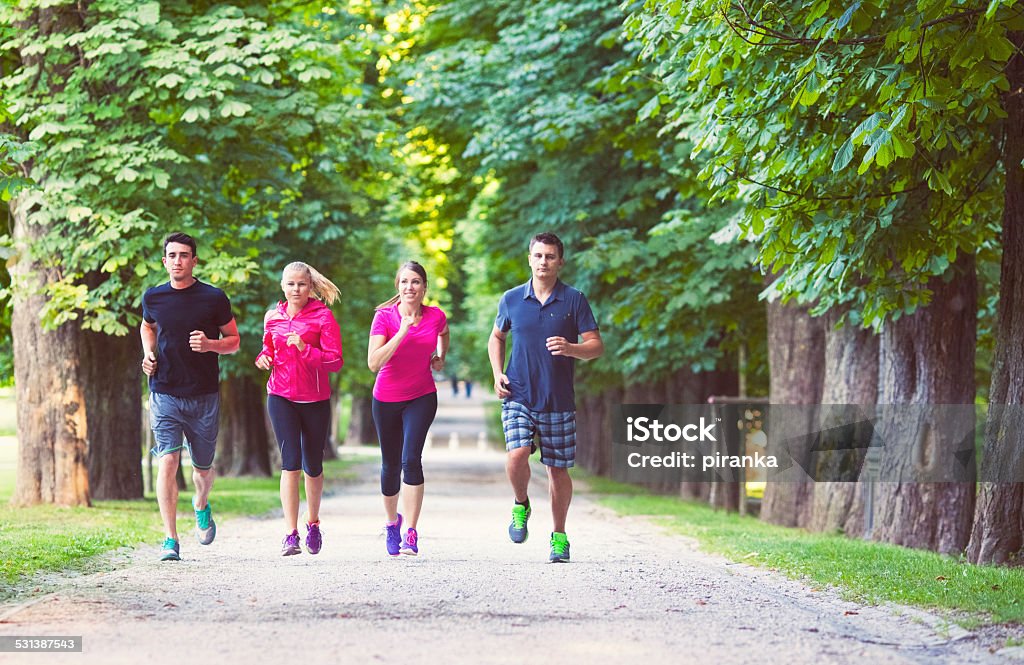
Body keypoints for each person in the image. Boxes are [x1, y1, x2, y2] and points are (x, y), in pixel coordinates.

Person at [488, 232, 603, 563]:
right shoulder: (511, 299)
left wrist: (571, 349)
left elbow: (596, 345)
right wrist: (497, 374)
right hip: (518, 393)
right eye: (538, 256)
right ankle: (521, 503)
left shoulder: (574, 300)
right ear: (529, 259)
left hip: (558, 398)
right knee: (517, 453)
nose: (544, 262)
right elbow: (496, 338)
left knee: (557, 470)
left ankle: (559, 537)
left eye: (550, 256)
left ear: (560, 262)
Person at [141, 232, 240, 562]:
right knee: (167, 460)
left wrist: (211, 344)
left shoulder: (213, 298)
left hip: (203, 395)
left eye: (184, 255)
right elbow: (148, 326)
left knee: (202, 470)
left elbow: (234, 340)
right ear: (164, 261)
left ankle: (200, 504)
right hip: (165, 391)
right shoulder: (153, 297)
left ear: (194, 261)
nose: (178, 260)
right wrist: (148, 354)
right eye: (172, 255)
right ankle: (170, 538)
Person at [255, 262, 343, 556]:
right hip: (280, 396)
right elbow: (268, 348)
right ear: (282, 285)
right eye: (290, 284)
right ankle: (290, 534)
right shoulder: (273, 318)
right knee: (289, 462)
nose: (296, 289)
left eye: (301, 285)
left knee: (313, 466)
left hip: (315, 399)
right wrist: (263, 358)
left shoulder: (323, 317)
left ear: (310, 287)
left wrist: (307, 349)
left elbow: (335, 361)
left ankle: (313, 523)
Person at [367, 261, 449, 556]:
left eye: (415, 282)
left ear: (424, 287)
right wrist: (402, 332)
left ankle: (411, 531)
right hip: (386, 398)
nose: (409, 287)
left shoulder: (436, 316)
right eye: (404, 282)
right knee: (390, 465)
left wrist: (440, 357)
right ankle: (392, 524)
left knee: (410, 459)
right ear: (397, 286)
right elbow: (373, 363)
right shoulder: (384, 318)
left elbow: (444, 333)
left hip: (422, 396)